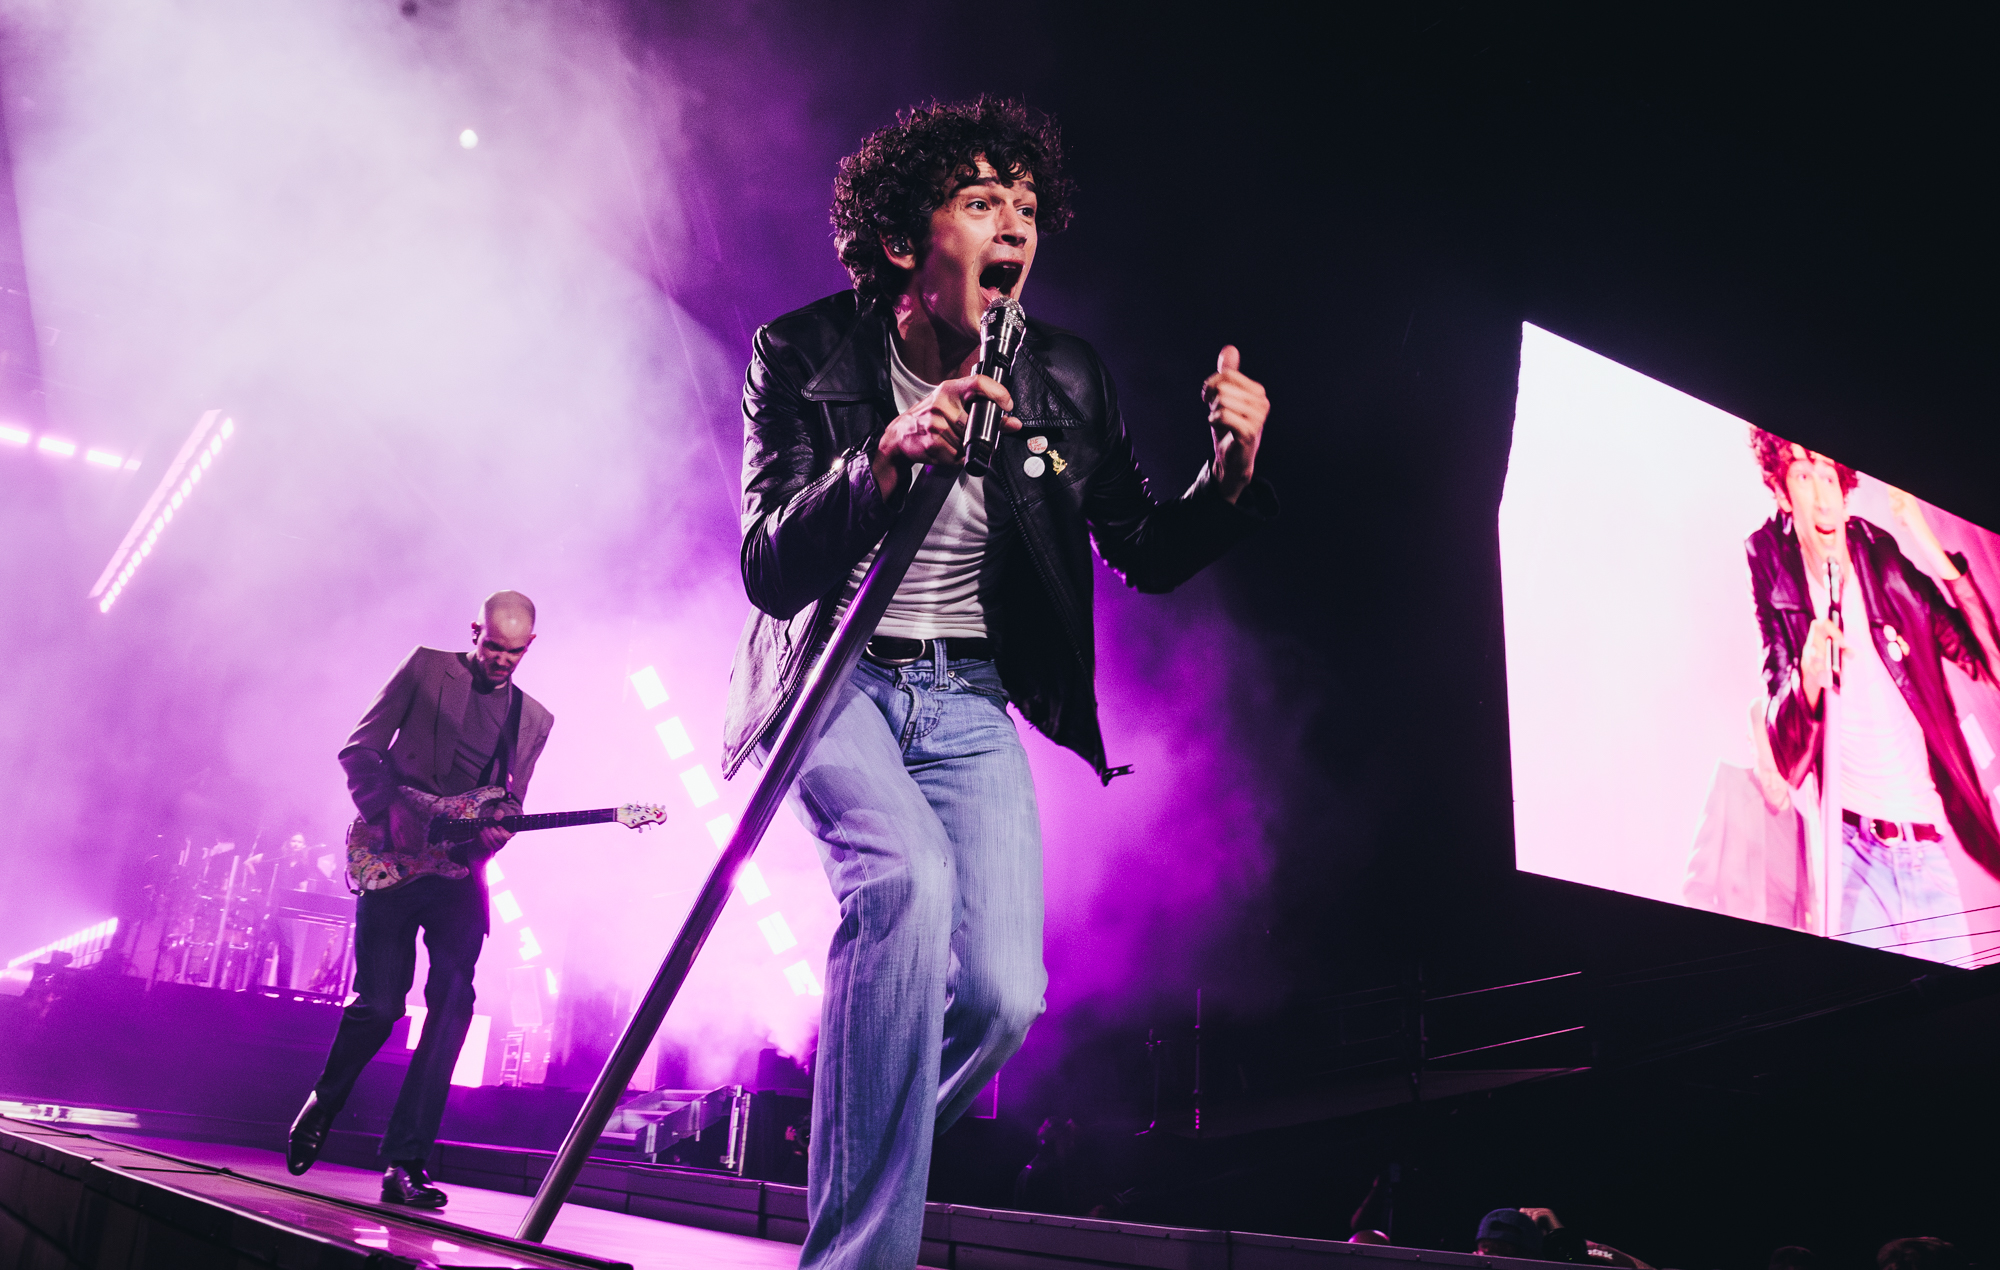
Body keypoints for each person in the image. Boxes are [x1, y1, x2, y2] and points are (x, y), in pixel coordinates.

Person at [723, 98, 1274, 1269]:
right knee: (906, 884)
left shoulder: (1065, 375)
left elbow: (1142, 548)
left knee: (1000, 998)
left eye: (1026, 208)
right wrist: (878, 459)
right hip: (833, 678)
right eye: (980, 202)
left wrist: (1224, 482)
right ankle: (856, 1256)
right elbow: (769, 566)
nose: (1012, 224)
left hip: (968, 701)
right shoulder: (803, 352)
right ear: (901, 244)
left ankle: (860, 1152)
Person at [285, 591, 554, 1208]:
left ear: (529, 647)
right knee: (380, 1006)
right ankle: (324, 1102)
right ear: (475, 632)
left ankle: (405, 1163)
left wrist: (497, 833)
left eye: (514, 653)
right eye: (492, 647)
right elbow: (359, 748)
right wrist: (387, 810)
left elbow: (511, 807)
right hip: (392, 856)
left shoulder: (533, 720)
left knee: (454, 1004)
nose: (501, 662)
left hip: (459, 873)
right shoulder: (426, 667)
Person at [1747, 429, 2000, 963]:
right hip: (1851, 853)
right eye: (1800, 473)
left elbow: (1988, 661)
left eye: (1826, 473)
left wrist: (1925, 540)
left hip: (1926, 850)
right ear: (1782, 492)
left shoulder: (1882, 558)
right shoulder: (1772, 565)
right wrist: (1809, 674)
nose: (1820, 494)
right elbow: (1787, 755)